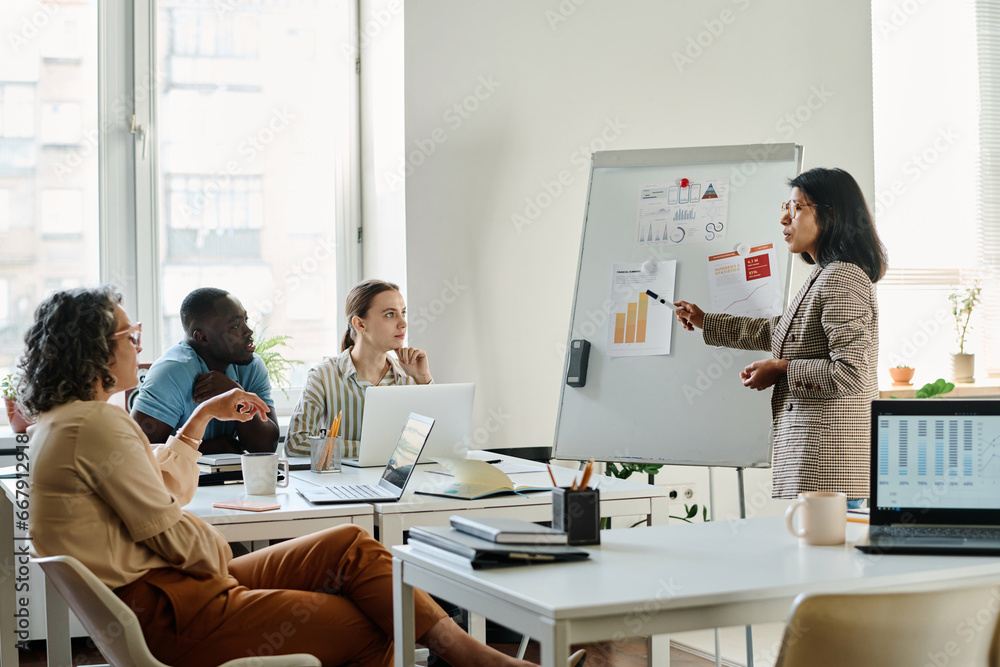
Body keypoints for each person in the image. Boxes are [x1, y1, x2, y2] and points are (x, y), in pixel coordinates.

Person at [21, 285, 583, 667]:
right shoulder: (96, 427)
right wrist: (220, 559)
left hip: (172, 591)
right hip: (175, 609)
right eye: (129, 336)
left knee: (348, 546)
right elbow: (169, 529)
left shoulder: (67, 423)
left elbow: (162, 493)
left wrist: (196, 421)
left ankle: (469, 655)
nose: (139, 346)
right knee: (373, 620)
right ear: (97, 351)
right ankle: (477, 658)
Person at [674, 168, 886, 506]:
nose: (785, 217)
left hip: (832, 470)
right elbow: (778, 331)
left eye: (798, 207)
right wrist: (704, 321)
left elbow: (851, 373)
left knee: (826, 558)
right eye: (785, 207)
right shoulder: (825, 274)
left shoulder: (841, 277)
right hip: (822, 469)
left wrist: (782, 368)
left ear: (833, 215)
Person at [285, 279, 433, 458]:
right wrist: (371, 449)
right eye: (389, 314)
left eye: (403, 313)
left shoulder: (409, 377)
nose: (403, 323)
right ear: (360, 324)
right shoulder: (323, 377)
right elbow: (296, 443)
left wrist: (423, 379)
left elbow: (436, 443)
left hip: (397, 484)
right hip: (341, 485)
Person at [131, 287, 280, 454]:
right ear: (202, 337)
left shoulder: (251, 367)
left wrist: (235, 392)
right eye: (236, 325)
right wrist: (216, 447)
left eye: (246, 320)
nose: (249, 331)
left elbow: (267, 446)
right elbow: (139, 454)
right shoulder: (171, 373)